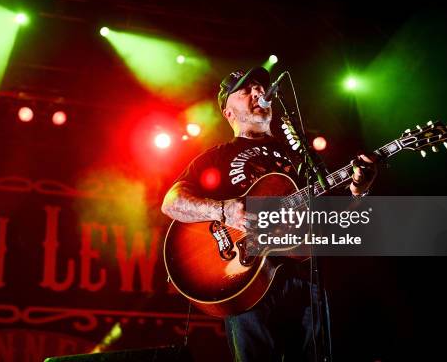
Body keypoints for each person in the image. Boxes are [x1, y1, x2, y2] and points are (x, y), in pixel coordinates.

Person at [161, 67, 377, 361]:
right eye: (246, 89)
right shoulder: (217, 156)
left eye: (261, 87)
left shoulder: (303, 156)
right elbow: (171, 202)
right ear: (228, 112)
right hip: (248, 275)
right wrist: (223, 210)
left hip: (307, 277)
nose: (258, 92)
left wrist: (358, 190)